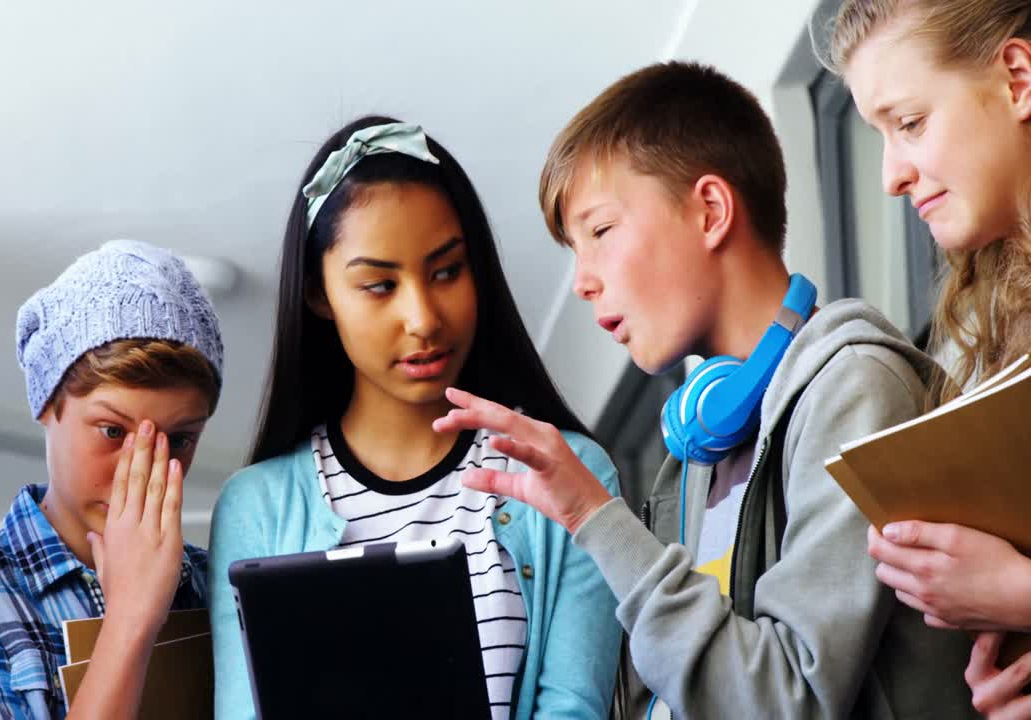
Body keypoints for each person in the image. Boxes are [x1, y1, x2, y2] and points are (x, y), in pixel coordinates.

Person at [433, 62, 977, 718]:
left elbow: (785, 701)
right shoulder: (696, 455)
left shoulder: (855, 388)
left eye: (600, 232)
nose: (583, 281)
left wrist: (595, 518)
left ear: (711, 211)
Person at [209, 117, 622, 719]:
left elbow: (574, 708)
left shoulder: (568, 471)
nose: (423, 318)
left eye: (447, 271)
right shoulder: (256, 507)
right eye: (379, 285)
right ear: (318, 293)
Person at [0, 239, 222, 719]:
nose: (143, 469)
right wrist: (131, 618)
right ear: (48, 403)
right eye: (113, 431)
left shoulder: (220, 583)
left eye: (178, 441)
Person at [828, 1, 1031, 715]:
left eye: (909, 123)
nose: (889, 176)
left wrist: (1011, 592)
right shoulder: (1002, 325)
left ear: (1017, 78)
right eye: (879, 135)